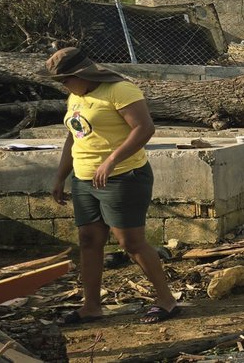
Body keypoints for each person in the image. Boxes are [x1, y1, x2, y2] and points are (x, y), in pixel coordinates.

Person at [42, 47, 180, 325]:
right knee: (89, 240)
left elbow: (144, 128)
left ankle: (167, 301)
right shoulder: (76, 97)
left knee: (130, 242)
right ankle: (91, 306)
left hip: (123, 177)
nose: (64, 86)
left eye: (67, 79)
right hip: (83, 179)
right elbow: (74, 136)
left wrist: (111, 161)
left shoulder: (120, 90)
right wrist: (60, 176)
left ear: (83, 74)